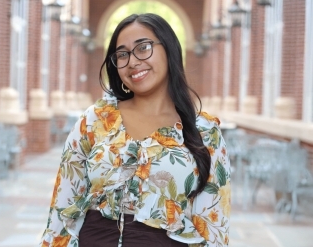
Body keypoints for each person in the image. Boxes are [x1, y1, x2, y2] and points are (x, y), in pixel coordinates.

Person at [40, 13, 230, 247]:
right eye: (122, 54)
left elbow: (213, 227)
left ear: (169, 49)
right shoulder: (95, 120)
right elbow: (62, 211)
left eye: (143, 47)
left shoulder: (205, 132)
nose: (132, 61)